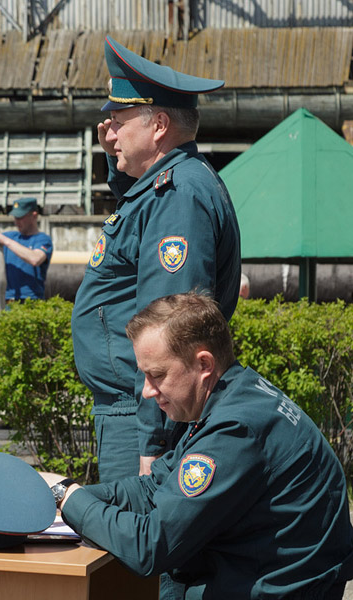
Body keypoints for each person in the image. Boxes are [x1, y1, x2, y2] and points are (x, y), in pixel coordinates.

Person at [46, 293, 353, 599]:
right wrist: (64, 493)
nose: (147, 391)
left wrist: (68, 497)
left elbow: (150, 547)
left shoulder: (236, 430)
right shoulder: (236, 396)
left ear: (204, 363)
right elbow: (153, 487)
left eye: (157, 375)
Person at [70, 36, 241, 486]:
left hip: (143, 413)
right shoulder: (166, 186)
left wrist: (154, 439)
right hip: (134, 407)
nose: (109, 132)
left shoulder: (176, 195)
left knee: (138, 531)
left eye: (118, 121)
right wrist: (117, 158)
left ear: (159, 125)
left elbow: (171, 326)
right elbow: (136, 217)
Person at [0, 197, 52, 302]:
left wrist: (4, 240)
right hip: (7, 299)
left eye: (21, 217)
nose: (17, 221)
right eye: (15, 217)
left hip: (31, 299)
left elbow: (35, 259)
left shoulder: (42, 239)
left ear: (34, 215)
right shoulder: (10, 236)